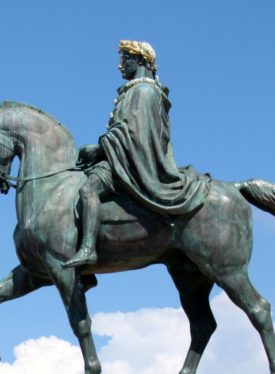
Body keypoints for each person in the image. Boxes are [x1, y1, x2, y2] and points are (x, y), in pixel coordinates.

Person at [63, 40, 210, 268]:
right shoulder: (137, 90)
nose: (121, 66)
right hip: (122, 155)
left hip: (133, 161)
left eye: (125, 60)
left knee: (88, 189)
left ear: (140, 60)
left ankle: (88, 248)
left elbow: (134, 131)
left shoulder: (143, 91)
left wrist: (100, 147)